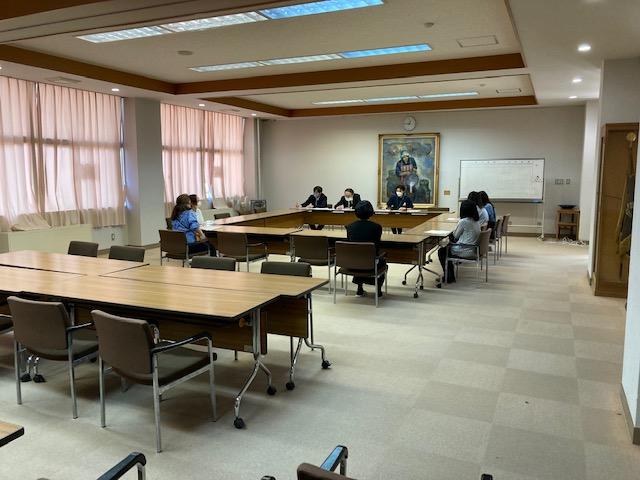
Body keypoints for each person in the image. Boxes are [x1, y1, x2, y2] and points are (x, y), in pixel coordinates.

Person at [346, 200, 386, 297]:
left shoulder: (349, 227)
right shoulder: (377, 227)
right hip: (371, 263)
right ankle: (378, 290)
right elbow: (377, 245)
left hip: (353, 263)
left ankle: (359, 289)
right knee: (381, 260)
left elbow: (350, 244)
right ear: (371, 212)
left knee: (359, 256)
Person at [437, 200, 480, 285]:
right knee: (446, 249)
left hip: (465, 250)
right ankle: (450, 275)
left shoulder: (464, 221)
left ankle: (449, 276)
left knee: (442, 251)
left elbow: (455, 237)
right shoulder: (476, 221)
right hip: (473, 249)